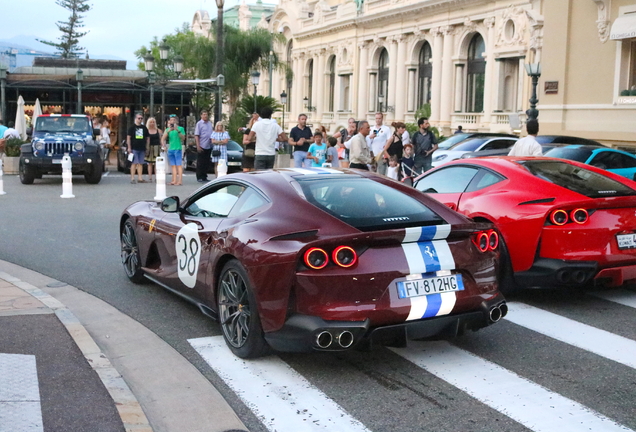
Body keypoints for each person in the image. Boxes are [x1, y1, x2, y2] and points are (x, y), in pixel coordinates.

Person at [162, 115, 186, 185]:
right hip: (170, 149)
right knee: (173, 165)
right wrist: (164, 146)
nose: (172, 121)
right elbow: (163, 138)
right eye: (171, 120)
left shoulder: (180, 128)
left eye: (174, 120)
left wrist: (177, 130)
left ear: (176, 121)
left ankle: (180, 181)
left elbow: (183, 138)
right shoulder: (167, 129)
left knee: (178, 165)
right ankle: (174, 180)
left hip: (177, 148)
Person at [127, 113, 149, 184]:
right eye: (138, 118)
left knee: (141, 163)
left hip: (142, 147)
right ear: (135, 119)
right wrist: (129, 147)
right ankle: (132, 178)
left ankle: (140, 178)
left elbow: (147, 138)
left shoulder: (144, 128)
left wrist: (147, 147)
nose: (140, 120)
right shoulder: (132, 127)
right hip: (134, 147)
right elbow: (128, 138)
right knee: (134, 163)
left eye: (141, 118)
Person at [194, 110, 213, 182]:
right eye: (204, 114)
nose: (205, 116)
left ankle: (204, 176)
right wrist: (198, 146)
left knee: (206, 162)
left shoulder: (209, 124)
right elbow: (196, 135)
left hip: (209, 145)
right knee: (200, 162)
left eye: (206, 114)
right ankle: (199, 176)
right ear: (201, 116)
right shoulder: (199, 124)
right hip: (202, 145)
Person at [145, 117, 162, 182]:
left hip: (157, 147)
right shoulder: (146, 130)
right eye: (150, 122)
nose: (152, 123)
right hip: (149, 147)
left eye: (153, 122)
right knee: (149, 163)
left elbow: (161, 139)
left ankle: (156, 177)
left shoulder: (158, 130)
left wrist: (163, 146)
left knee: (156, 163)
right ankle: (150, 177)